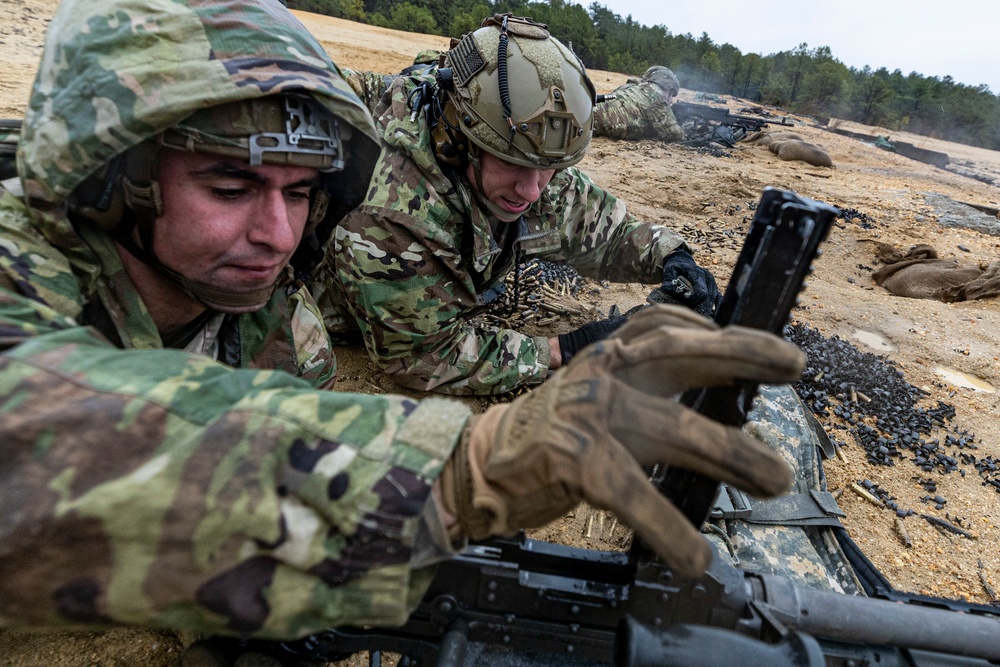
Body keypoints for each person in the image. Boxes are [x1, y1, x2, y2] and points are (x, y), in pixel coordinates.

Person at [0, 0, 805, 642]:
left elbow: (577, 207)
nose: (279, 237)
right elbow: (41, 437)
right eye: (229, 188)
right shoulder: (387, 216)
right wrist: (469, 465)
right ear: (115, 181)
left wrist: (668, 254)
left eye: (299, 191)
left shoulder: (282, 326)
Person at [328, 16, 719, 396]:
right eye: (513, 164)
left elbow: (607, 233)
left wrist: (672, 257)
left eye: (548, 168)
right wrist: (567, 348)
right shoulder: (395, 210)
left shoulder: (525, 152)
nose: (533, 190)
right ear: (457, 135)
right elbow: (423, 356)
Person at [593, 65, 686, 143]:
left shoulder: (631, 87)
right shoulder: (657, 97)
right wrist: (687, 128)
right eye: (671, 95)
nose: (671, 101)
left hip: (588, 110)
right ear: (667, 87)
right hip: (592, 122)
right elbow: (673, 134)